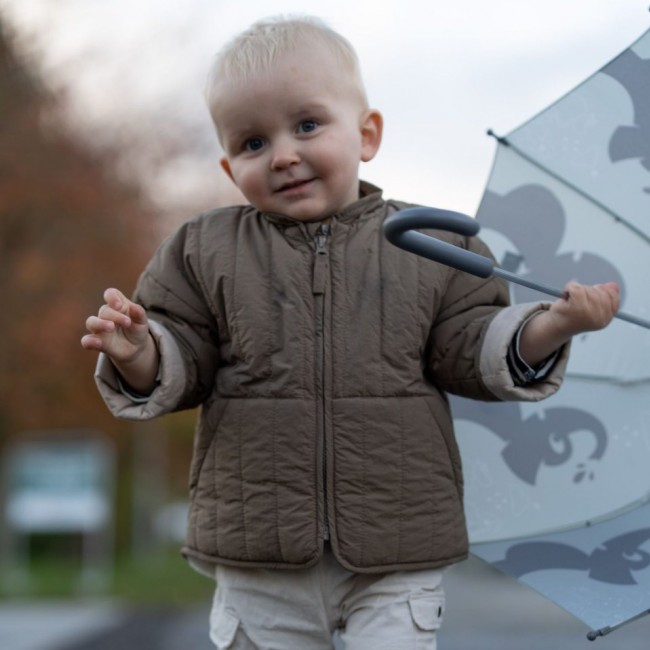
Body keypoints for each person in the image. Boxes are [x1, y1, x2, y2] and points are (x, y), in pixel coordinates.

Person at [81, 15, 620, 650]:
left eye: (307, 125)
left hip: (397, 549)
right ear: (230, 170)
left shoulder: (434, 245)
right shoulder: (203, 250)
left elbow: (471, 347)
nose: (283, 154)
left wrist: (551, 325)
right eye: (253, 143)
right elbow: (184, 355)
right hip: (261, 557)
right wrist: (141, 353)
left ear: (366, 135)